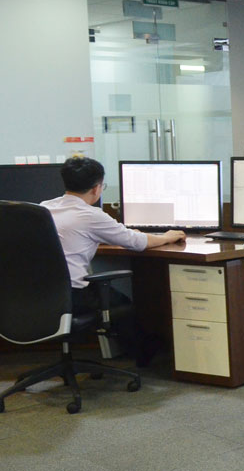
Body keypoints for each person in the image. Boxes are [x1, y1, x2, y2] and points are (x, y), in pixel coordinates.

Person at [40, 156, 186, 364]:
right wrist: (167, 237)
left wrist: (110, 234)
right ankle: (143, 353)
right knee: (122, 304)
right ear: (96, 188)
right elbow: (137, 242)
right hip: (72, 296)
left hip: (40, 293)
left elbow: (70, 236)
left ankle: (136, 350)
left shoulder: (44, 208)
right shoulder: (91, 215)